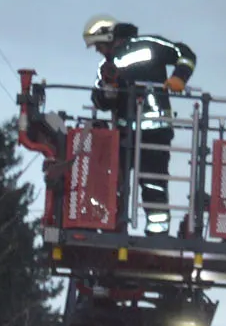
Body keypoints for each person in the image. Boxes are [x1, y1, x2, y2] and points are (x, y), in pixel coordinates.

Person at [83, 15, 198, 222]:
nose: (97, 50)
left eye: (98, 45)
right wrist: (108, 92)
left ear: (108, 36)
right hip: (123, 133)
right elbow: (99, 100)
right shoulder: (106, 68)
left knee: (153, 181)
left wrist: (179, 77)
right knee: (112, 181)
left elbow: (185, 54)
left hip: (155, 130)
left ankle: (157, 231)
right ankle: (113, 224)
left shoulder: (148, 45)